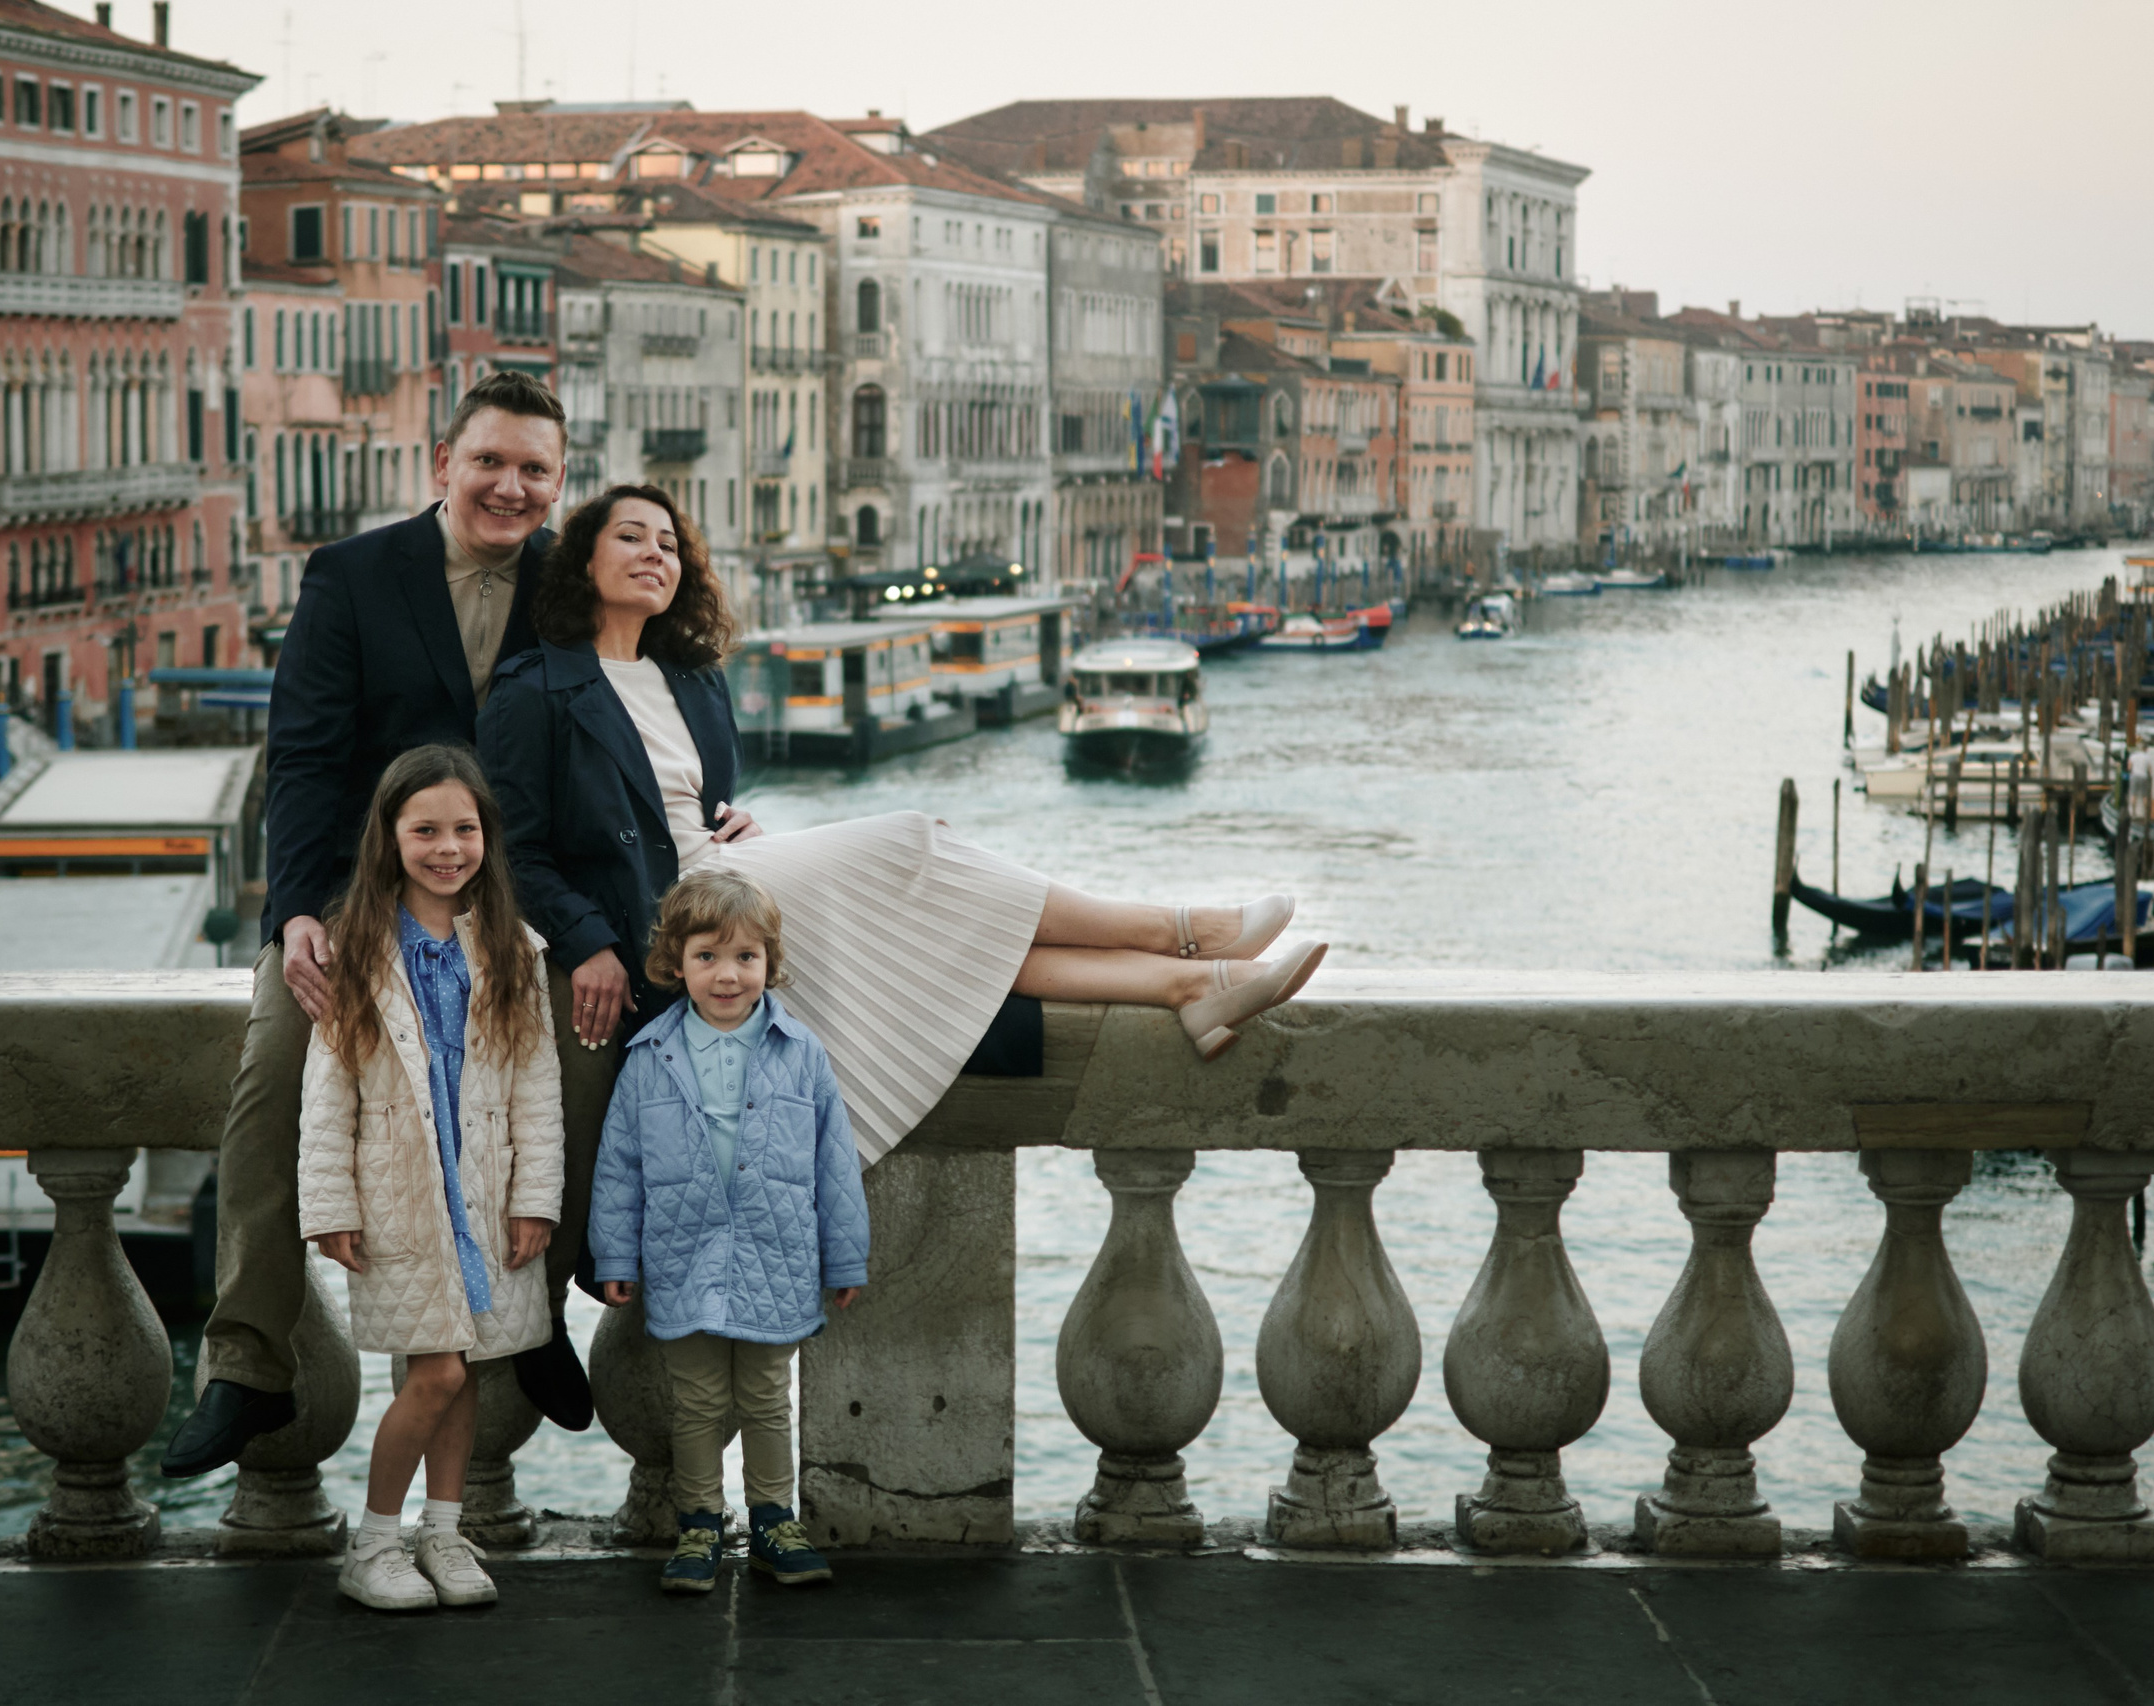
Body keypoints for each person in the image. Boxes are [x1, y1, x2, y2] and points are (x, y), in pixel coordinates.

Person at [477, 484, 1324, 1171]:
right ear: (583, 560)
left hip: (731, 873)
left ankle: (1188, 987)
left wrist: (738, 821)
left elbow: (694, 807)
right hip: (666, 908)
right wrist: (588, 940)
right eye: (630, 538)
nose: (654, 554)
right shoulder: (535, 689)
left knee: (960, 931)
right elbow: (516, 848)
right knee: (914, 839)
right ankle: (1185, 930)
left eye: (667, 544)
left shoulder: (692, 678)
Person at [166, 371, 594, 1482]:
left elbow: (646, 720)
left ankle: (538, 1320)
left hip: (518, 901)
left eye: (535, 469)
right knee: (272, 1076)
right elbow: (303, 757)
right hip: (360, 894)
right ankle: (247, 1361)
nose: (511, 485)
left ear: (560, 482)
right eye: (490, 460)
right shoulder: (351, 574)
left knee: (588, 1065)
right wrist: (299, 911)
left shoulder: (573, 585)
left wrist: (720, 804)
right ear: (441, 462)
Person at [297, 745, 563, 1611]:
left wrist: (536, 1198)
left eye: (464, 828)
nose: (448, 847)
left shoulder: (515, 951)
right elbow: (328, 1091)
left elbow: (538, 1086)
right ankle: (375, 1541)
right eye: (426, 830)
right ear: (390, 837)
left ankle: (443, 1534)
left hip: (484, 1187)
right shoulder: (357, 949)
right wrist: (329, 1204)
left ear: (487, 835)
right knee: (438, 1373)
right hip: (403, 1194)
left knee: (469, 1370)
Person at [588, 869, 866, 1594]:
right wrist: (613, 1255)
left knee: (769, 1396)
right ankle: (699, 1525)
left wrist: (845, 1257)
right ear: (674, 963)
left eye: (746, 956)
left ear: (770, 963)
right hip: (685, 1253)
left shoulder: (800, 1053)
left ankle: (776, 1520)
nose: (727, 974)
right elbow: (619, 1166)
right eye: (707, 956)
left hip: (776, 1253)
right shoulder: (649, 1057)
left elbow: (834, 1164)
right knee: (700, 1402)